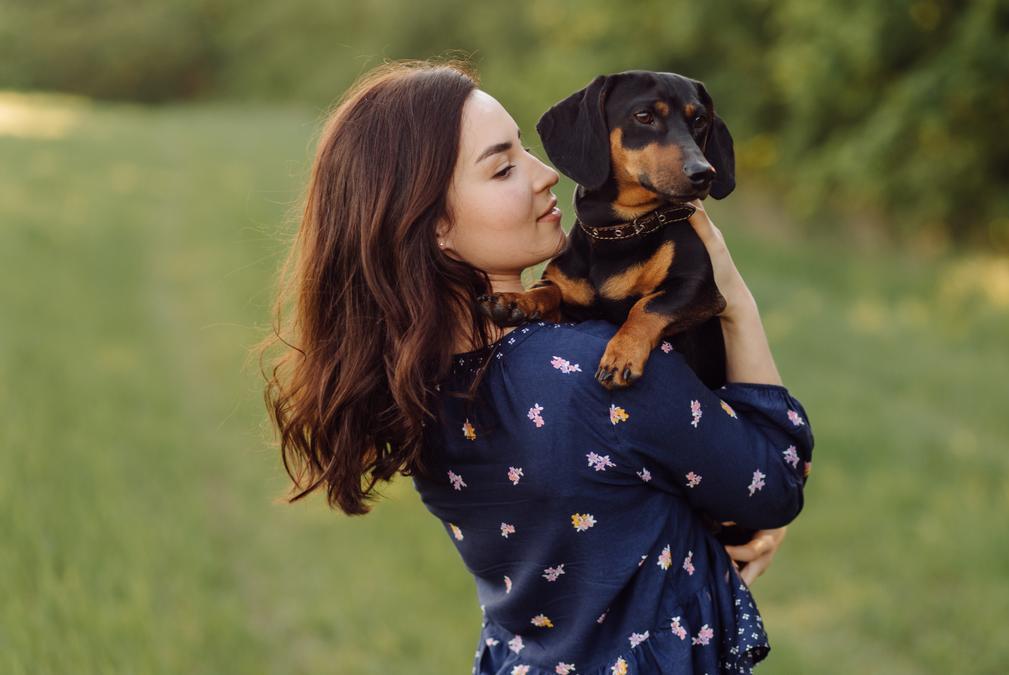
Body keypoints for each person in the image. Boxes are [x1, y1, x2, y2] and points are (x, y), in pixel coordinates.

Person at [260, 59, 815, 674]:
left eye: (526, 150)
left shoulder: (417, 384)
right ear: (434, 225)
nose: (548, 174)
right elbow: (777, 482)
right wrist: (735, 301)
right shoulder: (595, 370)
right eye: (503, 167)